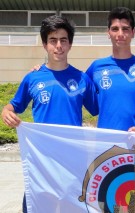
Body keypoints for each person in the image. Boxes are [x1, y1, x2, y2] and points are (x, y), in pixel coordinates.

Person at [1, 15, 98, 212]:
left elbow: (98, 109)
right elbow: (12, 106)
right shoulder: (33, 78)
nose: (58, 46)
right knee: (35, 205)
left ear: (70, 44)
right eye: (53, 41)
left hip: (73, 158)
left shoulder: (82, 79)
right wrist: (6, 111)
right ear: (45, 44)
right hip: (42, 158)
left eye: (63, 40)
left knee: (72, 206)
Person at [85, 7, 135, 131]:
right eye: (115, 29)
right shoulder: (96, 67)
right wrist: (39, 69)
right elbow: (74, 85)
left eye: (125, 29)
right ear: (108, 33)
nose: (120, 34)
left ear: (133, 32)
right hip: (105, 142)